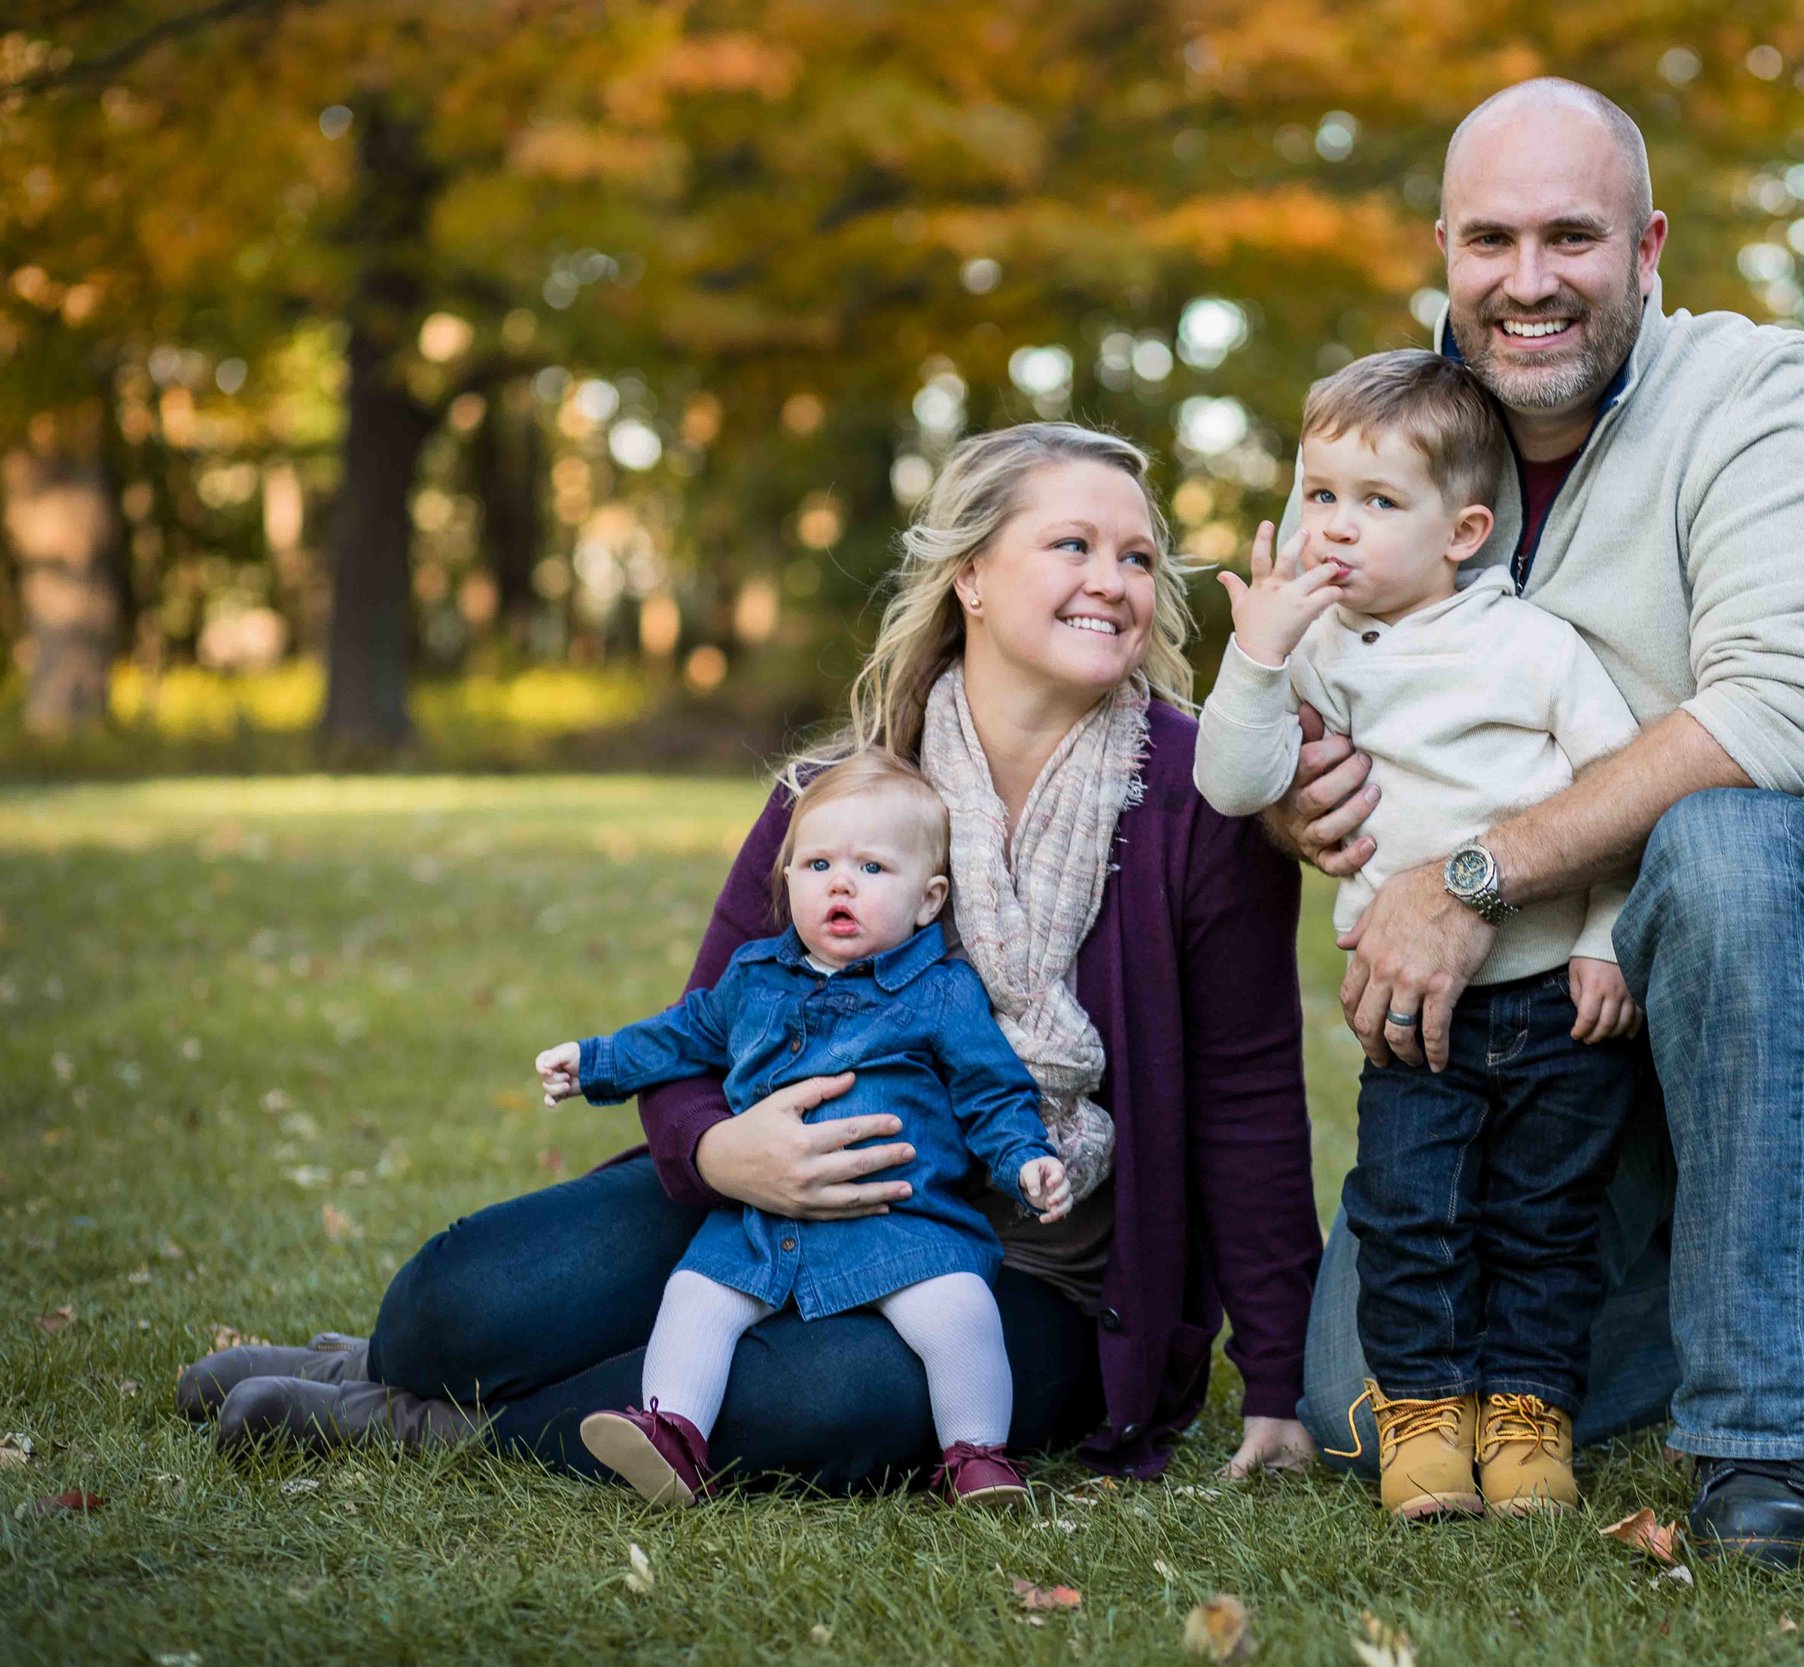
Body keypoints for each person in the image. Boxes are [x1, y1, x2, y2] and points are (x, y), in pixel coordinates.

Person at [181, 423, 1324, 1490]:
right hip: (767, 1181)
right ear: (970, 575)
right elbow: (702, 1029)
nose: (1112, 580)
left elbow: (1247, 1093)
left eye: (1137, 555)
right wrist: (724, 1151)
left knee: (819, 1401)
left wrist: (1273, 1378)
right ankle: (390, 1363)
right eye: (1070, 543)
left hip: (1025, 1266)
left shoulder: (1195, 797)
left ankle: (416, 1420)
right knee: (456, 1303)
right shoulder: (836, 793)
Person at [1279, 81, 1804, 1566]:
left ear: (1648, 245)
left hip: (1802, 941)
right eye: (1493, 238)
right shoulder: (1387, 434)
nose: (1529, 280)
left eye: (1572, 236)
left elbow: (1782, 713)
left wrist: (1477, 871)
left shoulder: (1765, 393)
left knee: (1726, 841)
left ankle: (1764, 1455)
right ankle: (1699, 1261)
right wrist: (1298, 788)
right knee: (1360, 1397)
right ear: (1442, 247)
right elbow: (1318, 689)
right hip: (1536, 1021)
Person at [1193, 350, 1644, 1519]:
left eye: (1377, 503)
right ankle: (1427, 1416)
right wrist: (1257, 655)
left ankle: (1531, 1414)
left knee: (1547, 1220)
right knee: (1409, 1213)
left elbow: (1620, 795)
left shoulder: (1534, 648)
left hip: (1551, 998)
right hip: (1411, 1008)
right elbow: (1237, 783)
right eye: (1322, 493)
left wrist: (1604, 932)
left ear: (1463, 529)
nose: (1334, 528)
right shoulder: (1328, 656)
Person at [535, 751, 1071, 1508]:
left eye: (874, 867)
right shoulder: (754, 976)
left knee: (959, 1308)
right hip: (762, 1222)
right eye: (817, 863)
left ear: (929, 899)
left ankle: (975, 1455)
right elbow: (678, 1037)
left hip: (902, 1226)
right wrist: (592, 1063)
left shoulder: (942, 992)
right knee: (695, 1296)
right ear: (787, 884)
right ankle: (673, 1433)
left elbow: (992, 1091)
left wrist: (1025, 1159)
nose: (840, 882)